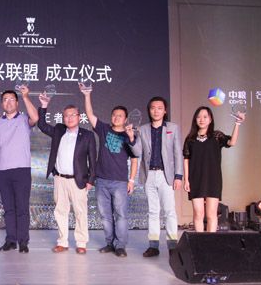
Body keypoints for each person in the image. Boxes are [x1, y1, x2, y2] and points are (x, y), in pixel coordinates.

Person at [37, 92, 96, 254]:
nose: (69, 118)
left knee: (80, 212)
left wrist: (91, 180)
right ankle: (62, 242)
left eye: (72, 115)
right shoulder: (58, 130)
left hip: (79, 180)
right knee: (60, 211)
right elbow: (41, 125)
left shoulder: (87, 135)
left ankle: (81, 243)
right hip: (60, 179)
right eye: (66, 116)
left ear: (79, 117)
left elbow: (93, 159)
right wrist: (44, 105)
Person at [82, 86, 137, 258]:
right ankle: (110, 243)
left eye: (120, 115)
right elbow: (90, 114)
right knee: (105, 216)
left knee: (121, 215)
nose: (116, 117)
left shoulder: (129, 135)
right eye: (114, 115)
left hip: (120, 181)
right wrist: (87, 95)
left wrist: (131, 180)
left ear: (125, 119)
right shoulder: (104, 129)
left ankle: (120, 245)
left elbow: (135, 159)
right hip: (102, 180)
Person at [127, 97, 183, 257]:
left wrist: (178, 176)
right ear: (149, 110)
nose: (156, 111)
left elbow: (177, 152)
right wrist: (131, 138)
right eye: (153, 108)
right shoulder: (143, 129)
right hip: (149, 175)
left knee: (169, 211)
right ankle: (153, 246)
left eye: (159, 108)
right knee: (153, 211)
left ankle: (172, 245)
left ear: (165, 111)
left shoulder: (173, 128)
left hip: (167, 175)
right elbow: (137, 152)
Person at [183, 106, 244, 232]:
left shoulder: (216, 136)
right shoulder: (190, 139)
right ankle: (199, 242)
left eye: (205, 117)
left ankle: (210, 241)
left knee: (211, 214)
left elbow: (231, 142)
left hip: (213, 179)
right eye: (199, 117)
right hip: (195, 179)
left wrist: (237, 123)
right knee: (198, 214)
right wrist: (186, 180)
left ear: (210, 119)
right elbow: (186, 159)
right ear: (195, 120)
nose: (202, 119)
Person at [0, 87, 38, 253]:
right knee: (8, 208)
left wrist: (25, 96)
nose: (8, 102)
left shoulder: (24, 119)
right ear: (2, 104)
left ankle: (23, 241)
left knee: (22, 207)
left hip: (21, 169)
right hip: (3, 171)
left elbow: (36, 117)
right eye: (5, 100)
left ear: (17, 103)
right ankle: (10, 240)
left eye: (12, 99)